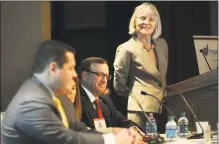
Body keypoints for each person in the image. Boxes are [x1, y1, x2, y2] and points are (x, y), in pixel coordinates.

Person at [1, 40, 139, 144]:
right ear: (53, 68)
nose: (75, 75)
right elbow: (66, 140)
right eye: (71, 68)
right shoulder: (32, 101)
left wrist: (122, 136)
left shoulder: (58, 97)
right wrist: (113, 140)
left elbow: (79, 130)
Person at [113, 2, 168, 133]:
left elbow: (161, 77)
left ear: (156, 24)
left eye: (151, 19)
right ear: (134, 21)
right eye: (142, 18)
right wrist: (136, 98)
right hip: (140, 111)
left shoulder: (162, 44)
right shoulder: (126, 48)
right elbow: (118, 85)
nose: (146, 22)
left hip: (164, 107)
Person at [78, 57, 145, 136]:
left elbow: (124, 123)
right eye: (100, 75)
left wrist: (134, 131)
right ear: (84, 75)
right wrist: (112, 131)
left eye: (106, 76)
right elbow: (81, 132)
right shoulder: (75, 100)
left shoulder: (105, 100)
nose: (104, 80)